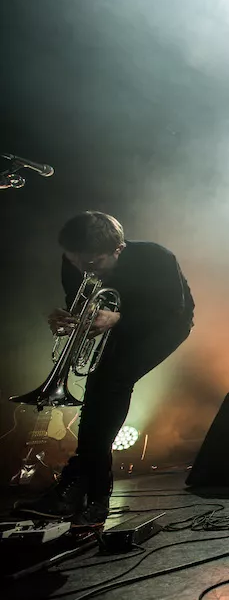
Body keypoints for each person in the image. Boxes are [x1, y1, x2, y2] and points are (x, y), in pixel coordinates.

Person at [16, 212, 194, 527]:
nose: (84, 270)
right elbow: (78, 300)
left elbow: (172, 311)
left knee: (112, 382)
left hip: (166, 326)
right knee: (98, 389)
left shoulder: (156, 257)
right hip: (118, 323)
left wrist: (118, 318)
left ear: (118, 249)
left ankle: (84, 489)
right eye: (76, 262)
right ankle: (88, 494)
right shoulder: (73, 260)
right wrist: (69, 318)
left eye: (93, 264)